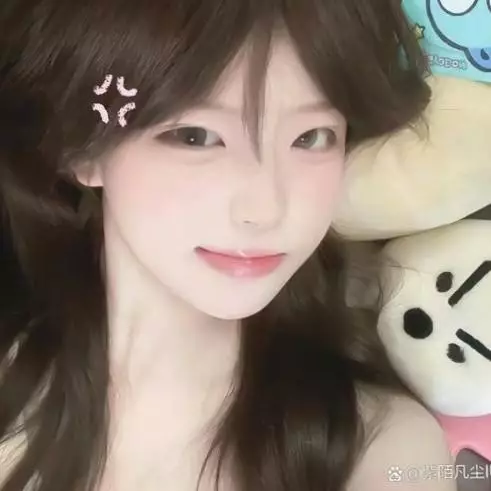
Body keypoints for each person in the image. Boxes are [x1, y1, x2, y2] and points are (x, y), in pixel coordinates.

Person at [0, 0, 455, 490]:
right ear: (82, 150)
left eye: (311, 137)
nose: (265, 208)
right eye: (196, 136)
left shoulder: (388, 452)